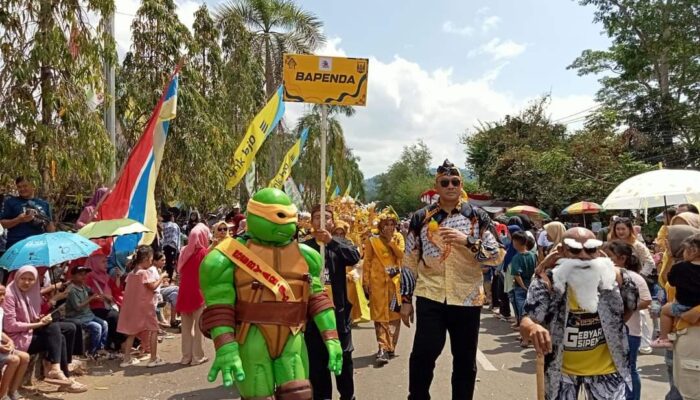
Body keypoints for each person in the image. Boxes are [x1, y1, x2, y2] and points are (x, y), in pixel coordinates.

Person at [198, 189, 343, 399]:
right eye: (280, 216)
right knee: (258, 393)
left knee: (298, 394)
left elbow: (317, 298)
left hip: (292, 337)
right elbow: (220, 305)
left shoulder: (308, 257)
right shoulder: (223, 258)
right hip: (251, 338)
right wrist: (226, 347)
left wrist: (331, 337)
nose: (289, 224)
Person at [401, 160, 501, 400]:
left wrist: (467, 241)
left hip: (467, 297)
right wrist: (405, 299)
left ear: (460, 185)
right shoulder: (421, 218)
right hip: (431, 295)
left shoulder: (477, 217)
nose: (450, 186)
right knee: (423, 356)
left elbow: (495, 255)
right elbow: (409, 260)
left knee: (465, 360)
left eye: (455, 182)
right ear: (436, 186)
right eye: (444, 182)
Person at [520, 228, 638, 400]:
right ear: (561, 251)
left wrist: (613, 327)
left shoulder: (616, 278)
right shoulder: (547, 282)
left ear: (598, 251)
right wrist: (533, 328)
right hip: (561, 372)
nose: (583, 256)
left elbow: (630, 307)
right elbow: (526, 322)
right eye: (575, 250)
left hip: (607, 371)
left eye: (590, 250)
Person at [303, 203, 361, 400]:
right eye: (317, 217)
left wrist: (331, 242)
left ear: (332, 221)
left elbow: (355, 257)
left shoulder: (340, 244)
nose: (322, 221)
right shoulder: (304, 247)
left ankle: (348, 396)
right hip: (313, 321)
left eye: (326, 217)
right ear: (311, 222)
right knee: (318, 369)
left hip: (339, 318)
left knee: (344, 364)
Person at [3, 266, 87, 392]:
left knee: (68, 328)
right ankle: (58, 372)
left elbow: (32, 315)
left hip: (28, 330)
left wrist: (39, 319)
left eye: (31, 279)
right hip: (16, 338)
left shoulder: (29, 291)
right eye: (23, 278)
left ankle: (58, 370)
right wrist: (38, 324)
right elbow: (10, 326)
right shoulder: (10, 294)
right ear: (16, 277)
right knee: (56, 332)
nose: (27, 282)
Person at [604, 240, 652, 400]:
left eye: (609, 256)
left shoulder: (634, 277)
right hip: (607, 333)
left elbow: (646, 300)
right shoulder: (602, 277)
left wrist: (625, 307)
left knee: (629, 368)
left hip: (630, 332)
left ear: (622, 258)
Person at [363, 208, 405, 365]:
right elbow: (367, 262)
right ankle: (382, 347)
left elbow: (401, 254)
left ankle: (391, 346)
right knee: (380, 315)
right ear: (380, 226)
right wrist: (365, 282)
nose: (390, 227)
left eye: (392, 224)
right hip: (377, 283)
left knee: (394, 315)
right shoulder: (372, 241)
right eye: (386, 224)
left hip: (395, 283)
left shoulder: (398, 238)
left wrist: (391, 241)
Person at [117, 246, 165, 368]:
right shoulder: (144, 273)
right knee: (153, 330)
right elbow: (153, 286)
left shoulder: (131, 273)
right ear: (145, 258)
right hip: (145, 305)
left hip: (133, 306)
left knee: (131, 332)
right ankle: (153, 358)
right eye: (151, 259)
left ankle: (126, 359)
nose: (151, 262)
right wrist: (162, 277)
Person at [652, 233, 700, 348]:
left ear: (692, 251)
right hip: (696, 306)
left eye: (684, 250)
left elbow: (671, 281)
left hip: (683, 305)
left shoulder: (680, 267)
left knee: (665, 310)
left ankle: (663, 338)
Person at [175, 224, 208, 366]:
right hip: (198, 293)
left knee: (186, 328)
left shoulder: (183, 252)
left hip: (183, 293)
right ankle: (197, 356)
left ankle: (185, 357)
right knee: (199, 328)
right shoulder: (204, 253)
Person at [64, 266, 108, 358]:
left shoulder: (83, 286)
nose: (83, 277)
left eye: (84, 275)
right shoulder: (72, 290)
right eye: (80, 275)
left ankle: (100, 348)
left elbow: (91, 292)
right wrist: (91, 298)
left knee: (104, 324)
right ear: (73, 276)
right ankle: (92, 352)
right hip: (78, 317)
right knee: (97, 327)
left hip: (88, 315)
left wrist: (96, 295)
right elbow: (78, 307)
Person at [0, 177, 55, 250]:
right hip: (16, 245)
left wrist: (52, 243)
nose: (22, 189)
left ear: (33, 186)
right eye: (19, 187)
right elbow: (2, 224)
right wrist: (18, 220)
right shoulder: (10, 202)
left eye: (25, 186)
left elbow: (50, 226)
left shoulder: (45, 204)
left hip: (38, 245)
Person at [85, 252, 124, 352]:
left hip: (108, 305)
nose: (106, 264)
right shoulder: (88, 277)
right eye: (103, 262)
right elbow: (86, 294)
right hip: (95, 307)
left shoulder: (105, 276)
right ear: (95, 263)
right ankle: (120, 345)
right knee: (114, 317)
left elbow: (116, 290)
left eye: (106, 262)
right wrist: (98, 297)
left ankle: (127, 343)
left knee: (122, 315)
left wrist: (118, 277)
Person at [0, 283, 30, 400]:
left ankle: (12, 391)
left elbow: (0, 332)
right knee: (14, 359)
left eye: (4, 294)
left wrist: (10, 341)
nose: (2, 297)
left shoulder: (1, 310)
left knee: (25, 357)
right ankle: (2, 395)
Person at [509, 231, 536, 330]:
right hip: (532, 284)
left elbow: (517, 274)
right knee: (531, 311)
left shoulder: (516, 258)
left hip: (521, 287)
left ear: (516, 243)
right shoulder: (533, 255)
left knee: (522, 311)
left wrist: (523, 286)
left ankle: (524, 335)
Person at [161, 212, 181, 279]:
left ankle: (164, 278)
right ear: (171, 217)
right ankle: (169, 278)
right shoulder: (175, 225)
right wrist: (178, 249)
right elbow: (178, 237)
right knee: (171, 263)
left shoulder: (162, 225)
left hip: (164, 246)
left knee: (164, 262)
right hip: (173, 246)